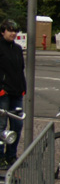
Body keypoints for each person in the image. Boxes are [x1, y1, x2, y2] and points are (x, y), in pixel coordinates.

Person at [0, 20, 26, 167]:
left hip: (17, 92)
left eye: (15, 31)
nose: (13, 33)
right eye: (10, 31)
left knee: (17, 125)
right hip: (3, 93)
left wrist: (23, 87)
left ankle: (11, 155)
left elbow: (20, 69)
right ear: (3, 32)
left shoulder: (17, 49)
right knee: (1, 126)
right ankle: (0, 156)